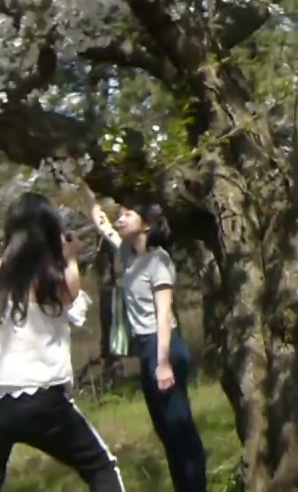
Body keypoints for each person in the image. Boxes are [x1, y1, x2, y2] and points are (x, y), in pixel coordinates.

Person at [0, 192, 123, 492]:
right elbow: (74, 304)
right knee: (101, 468)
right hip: (37, 397)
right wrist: (70, 258)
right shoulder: (54, 278)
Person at [81, 184, 207, 492]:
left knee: (180, 431)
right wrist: (82, 187)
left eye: (127, 215)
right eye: (120, 214)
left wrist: (163, 363)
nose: (120, 219)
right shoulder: (130, 256)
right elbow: (101, 222)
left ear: (147, 224)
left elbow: (164, 314)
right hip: (147, 348)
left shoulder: (158, 261)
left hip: (164, 347)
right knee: (166, 432)